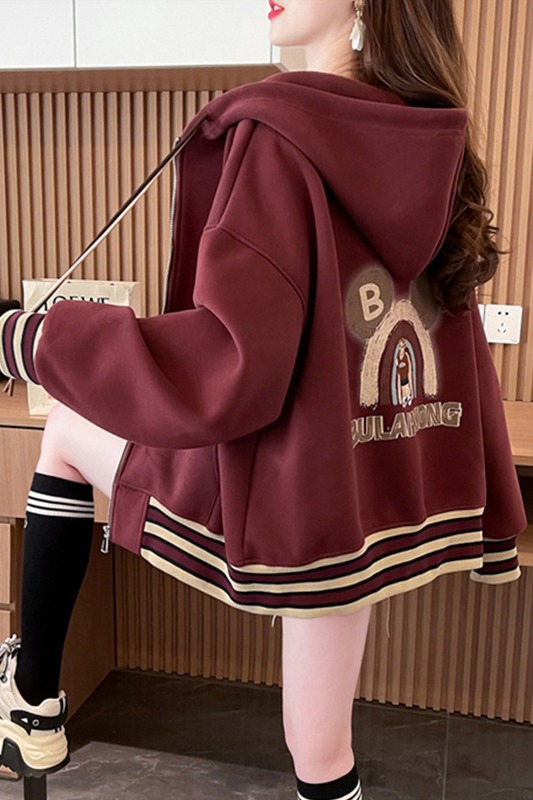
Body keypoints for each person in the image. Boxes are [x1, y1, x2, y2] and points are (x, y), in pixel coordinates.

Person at [0, 1, 527, 798]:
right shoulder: (427, 137)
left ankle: (32, 702)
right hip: (371, 481)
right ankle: (31, 702)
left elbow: (228, 359)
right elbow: (453, 342)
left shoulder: (278, 135)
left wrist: (28, 338)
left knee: (69, 428)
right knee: (320, 750)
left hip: (295, 484)